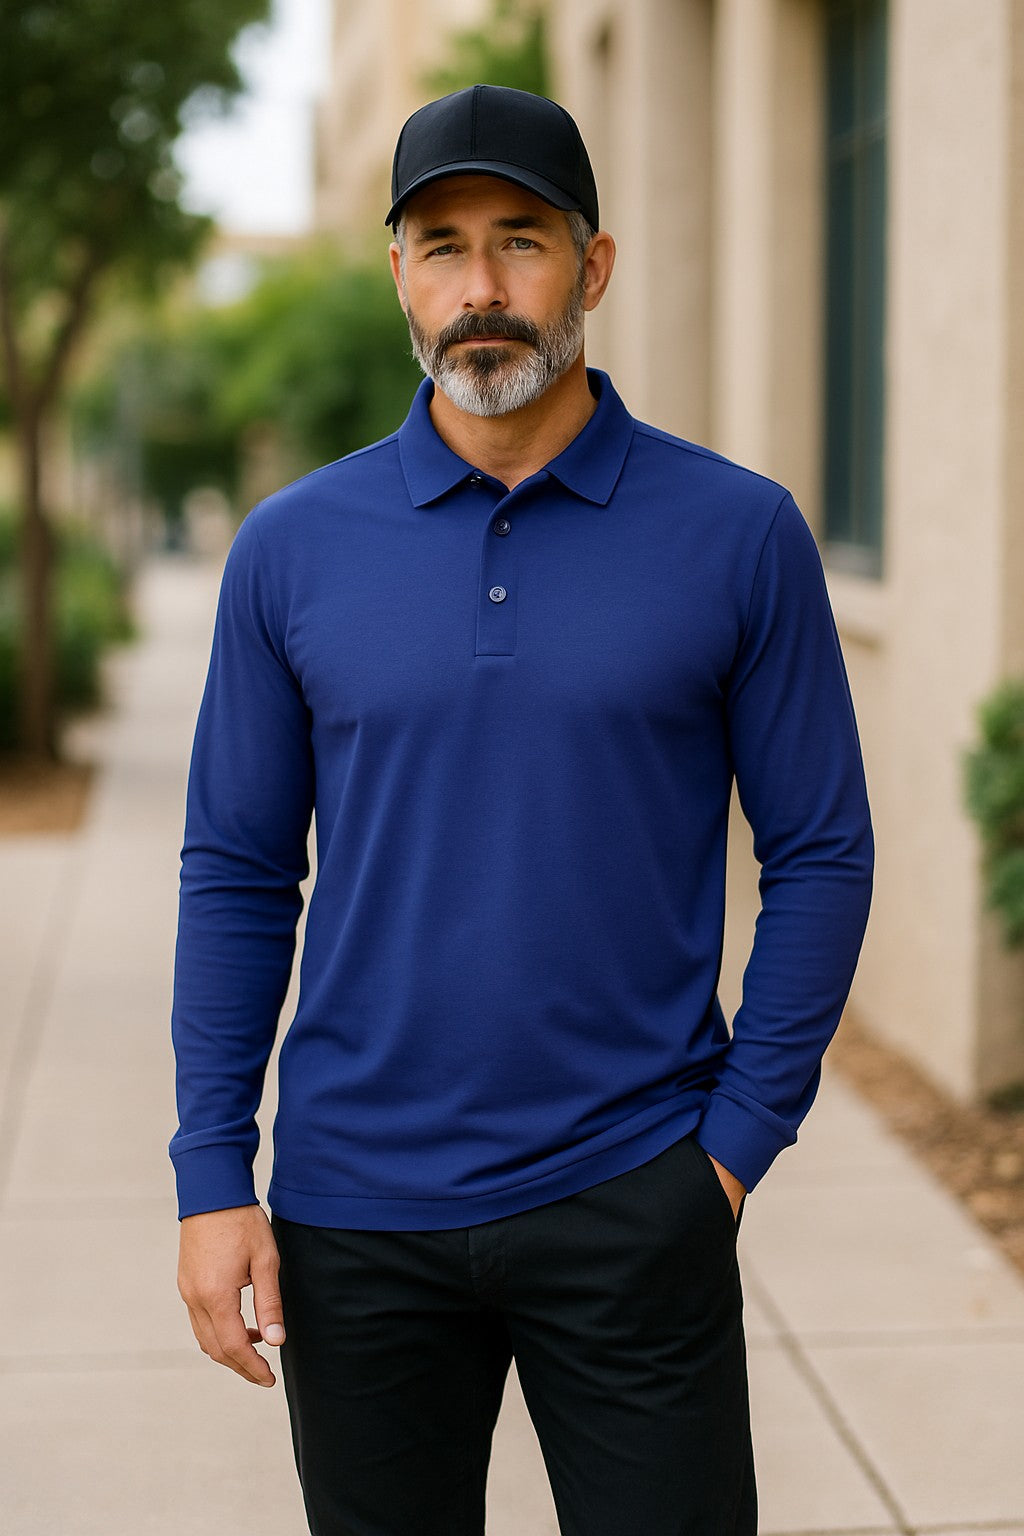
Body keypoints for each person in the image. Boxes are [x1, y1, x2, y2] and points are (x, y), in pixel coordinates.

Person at [171, 84, 873, 1536]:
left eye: (521, 241)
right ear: (399, 276)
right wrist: (209, 1176)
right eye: (441, 245)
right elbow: (238, 873)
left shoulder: (738, 534)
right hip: (357, 1214)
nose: (482, 289)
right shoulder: (290, 552)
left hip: (636, 1193)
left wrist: (734, 1149)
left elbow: (821, 852)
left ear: (594, 266)